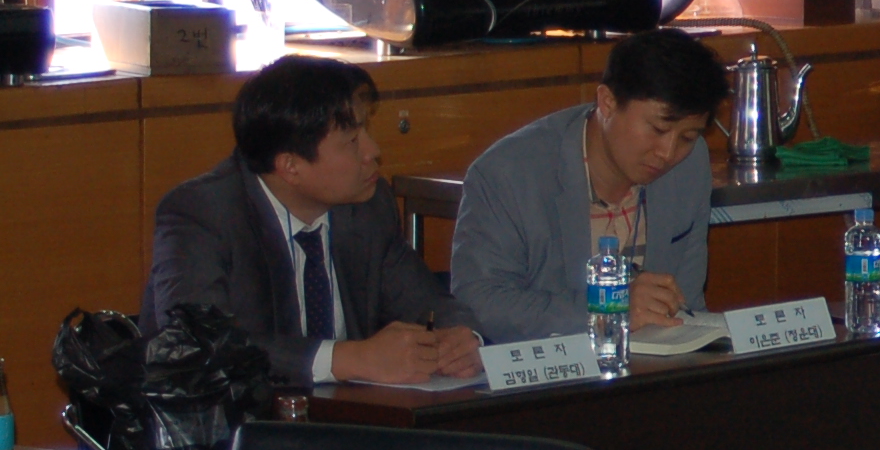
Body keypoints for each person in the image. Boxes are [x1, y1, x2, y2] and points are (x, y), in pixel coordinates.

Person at [144, 55, 480, 387]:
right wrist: (348, 359)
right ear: (290, 166)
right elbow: (196, 344)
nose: (373, 151)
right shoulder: (201, 213)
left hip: (354, 414)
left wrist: (461, 337)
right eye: (352, 141)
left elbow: (427, 303)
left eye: (366, 129)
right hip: (241, 416)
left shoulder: (369, 205)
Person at [450, 28, 725, 343]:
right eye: (658, 129)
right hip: (548, 366)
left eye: (687, 137)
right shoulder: (508, 174)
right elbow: (479, 303)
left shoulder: (690, 164)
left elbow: (687, 303)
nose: (668, 152)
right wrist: (608, 307)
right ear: (607, 103)